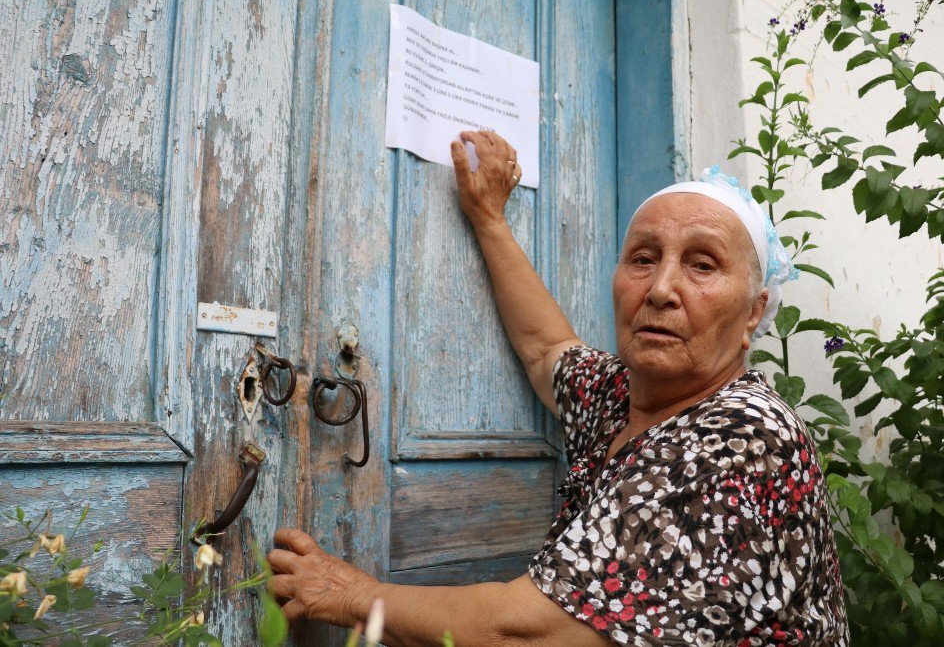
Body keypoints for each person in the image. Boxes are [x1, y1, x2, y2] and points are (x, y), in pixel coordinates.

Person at [266, 131, 849, 646]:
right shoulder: (628, 394)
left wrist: (348, 595)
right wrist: (490, 218)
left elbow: (524, 634)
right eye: (643, 258)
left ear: (754, 313)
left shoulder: (742, 438)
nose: (661, 288)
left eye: (702, 265)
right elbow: (548, 349)